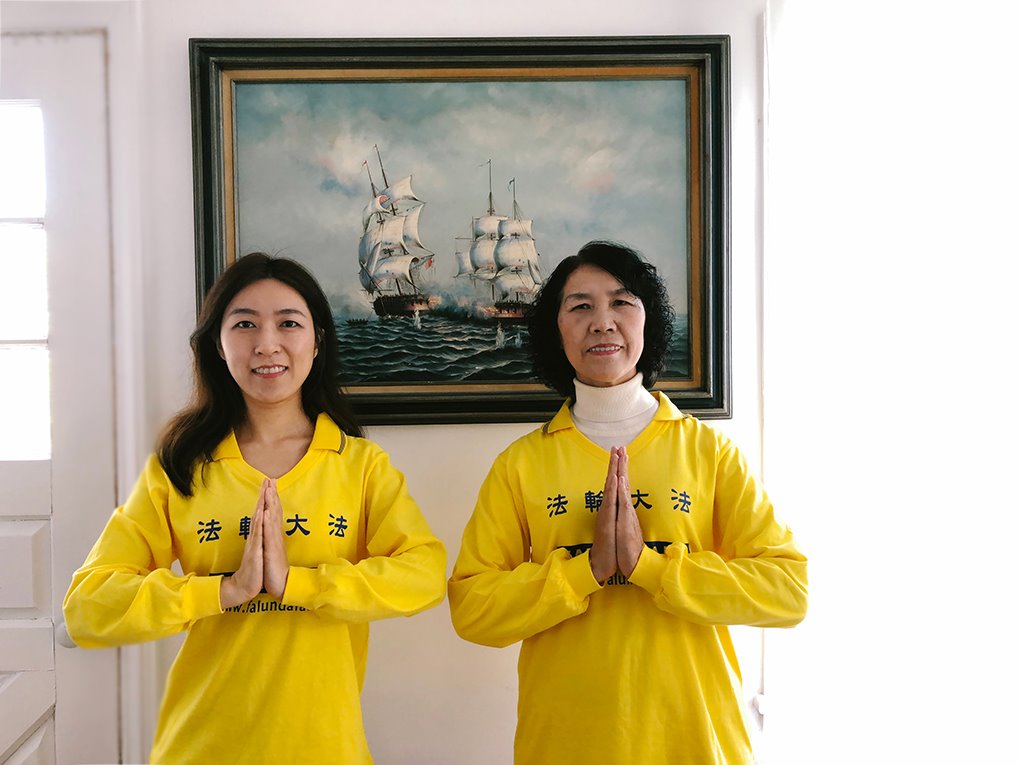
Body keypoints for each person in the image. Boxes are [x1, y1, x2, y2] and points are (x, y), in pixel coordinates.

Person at [64, 252, 446, 764]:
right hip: (200, 748)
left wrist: (299, 585)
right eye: (244, 324)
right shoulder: (182, 466)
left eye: (289, 323)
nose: (267, 344)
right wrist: (222, 591)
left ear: (317, 341)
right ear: (218, 345)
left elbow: (424, 574)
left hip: (324, 748)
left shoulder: (359, 465)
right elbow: (88, 606)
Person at [448, 241, 808, 764]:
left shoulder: (708, 451)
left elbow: (788, 592)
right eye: (580, 306)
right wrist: (585, 572)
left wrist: (651, 568)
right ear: (556, 329)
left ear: (648, 320)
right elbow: (473, 610)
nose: (602, 322)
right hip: (567, 745)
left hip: (695, 741)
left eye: (621, 302)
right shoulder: (521, 463)